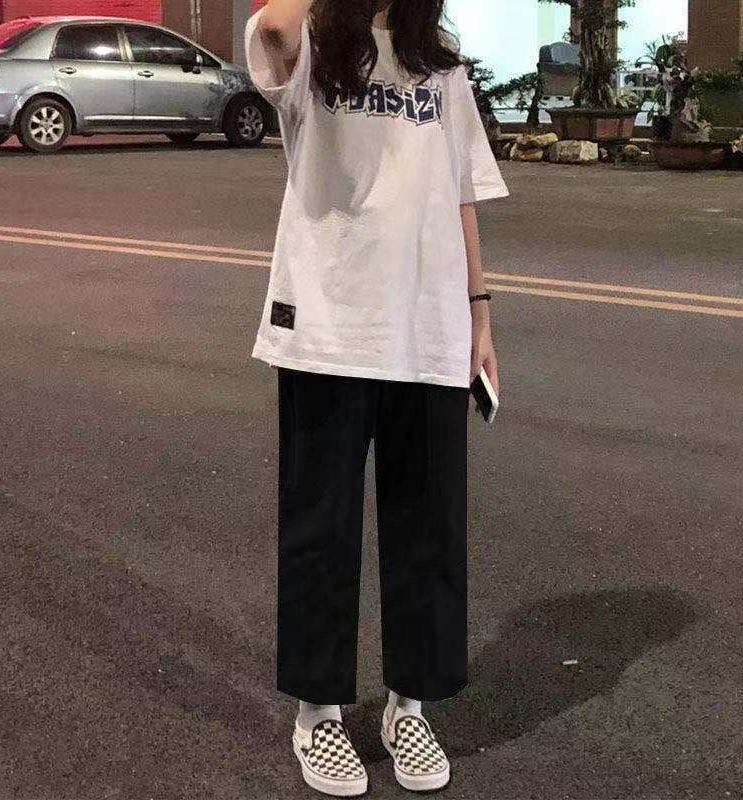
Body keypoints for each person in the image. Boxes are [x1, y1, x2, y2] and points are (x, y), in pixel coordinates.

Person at [244, 0, 508, 795]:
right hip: (328, 322)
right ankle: (318, 713)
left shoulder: (440, 60)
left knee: (430, 528)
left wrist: (480, 314)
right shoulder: (315, 40)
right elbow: (273, 29)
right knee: (321, 527)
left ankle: (410, 705)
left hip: (428, 323)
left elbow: (460, 190)